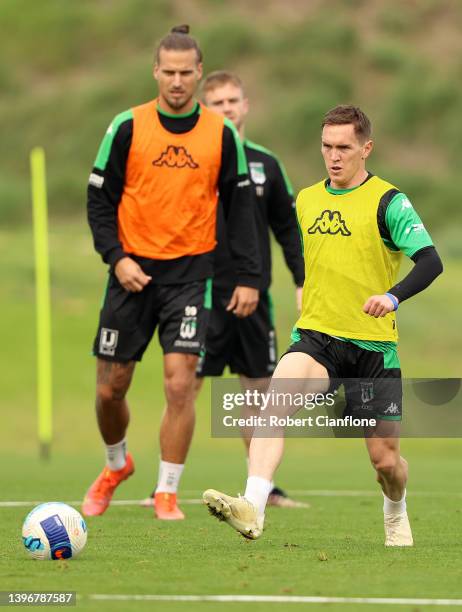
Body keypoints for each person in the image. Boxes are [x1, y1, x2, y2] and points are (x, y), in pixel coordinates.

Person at [203, 105, 443, 545]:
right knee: (273, 406)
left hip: (372, 350)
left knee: (386, 462)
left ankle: (396, 510)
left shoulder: (389, 201)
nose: (334, 156)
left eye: (344, 148)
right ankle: (253, 506)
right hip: (317, 338)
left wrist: (392, 297)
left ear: (366, 148)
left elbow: (431, 261)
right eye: (327, 147)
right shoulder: (307, 199)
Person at [83, 25, 260, 521]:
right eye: (169, 72)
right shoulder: (127, 126)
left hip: (190, 274)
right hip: (130, 271)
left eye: (186, 73)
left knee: (181, 384)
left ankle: (166, 492)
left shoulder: (221, 134)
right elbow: (99, 199)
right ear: (155, 72)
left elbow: (242, 209)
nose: (177, 81)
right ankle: (116, 465)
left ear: (198, 74)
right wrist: (116, 257)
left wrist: (249, 276)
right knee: (109, 388)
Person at [141, 70, 306, 509]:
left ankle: (261, 490)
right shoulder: (190, 160)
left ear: (245, 105)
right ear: (204, 109)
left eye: (233, 101)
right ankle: (164, 485)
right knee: (184, 389)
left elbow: (288, 228)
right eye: (217, 103)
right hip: (201, 294)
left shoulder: (265, 164)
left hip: (255, 298)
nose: (227, 109)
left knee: (257, 393)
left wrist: (303, 279)